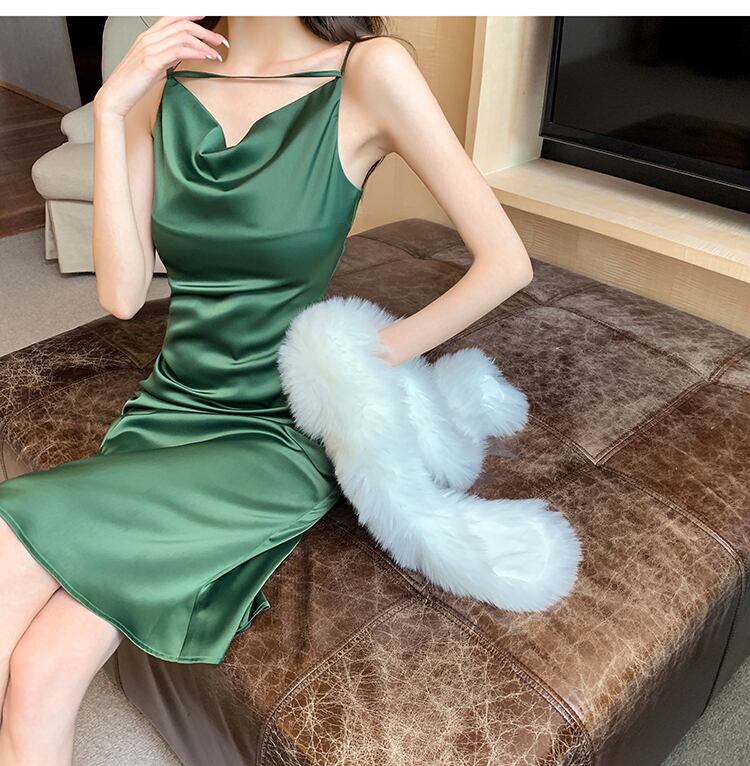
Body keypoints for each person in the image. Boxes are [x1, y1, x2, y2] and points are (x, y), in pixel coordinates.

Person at [0, 15, 534, 762]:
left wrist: (359, 358)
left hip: (279, 431)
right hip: (170, 408)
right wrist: (114, 108)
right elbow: (121, 295)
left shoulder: (368, 71)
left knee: (10, 544)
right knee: (44, 672)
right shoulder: (166, 80)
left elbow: (506, 263)